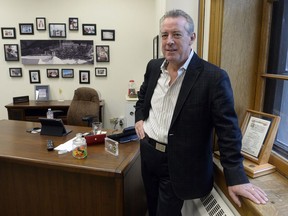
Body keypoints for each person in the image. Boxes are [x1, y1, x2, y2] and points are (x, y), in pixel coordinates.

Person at [135, 9, 268, 216]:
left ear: (192, 38)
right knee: (151, 207)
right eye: (164, 35)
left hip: (179, 164)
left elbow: (228, 131)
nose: (169, 41)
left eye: (176, 34)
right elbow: (143, 97)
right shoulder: (153, 67)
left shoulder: (214, 78)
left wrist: (236, 177)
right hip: (148, 154)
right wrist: (139, 119)